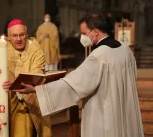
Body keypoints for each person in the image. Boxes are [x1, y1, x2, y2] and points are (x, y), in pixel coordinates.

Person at [13, 13, 144, 137]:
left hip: (105, 113)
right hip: (125, 109)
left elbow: (72, 85)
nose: (82, 37)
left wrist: (36, 90)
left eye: (84, 33)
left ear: (96, 31)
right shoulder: (124, 49)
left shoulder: (99, 56)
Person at [0, 19, 51, 137]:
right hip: (6, 103)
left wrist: (16, 84)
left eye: (21, 35)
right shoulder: (3, 50)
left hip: (26, 106)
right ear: (9, 37)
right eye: (14, 36)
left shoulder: (36, 52)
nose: (19, 39)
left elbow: (36, 74)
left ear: (27, 35)